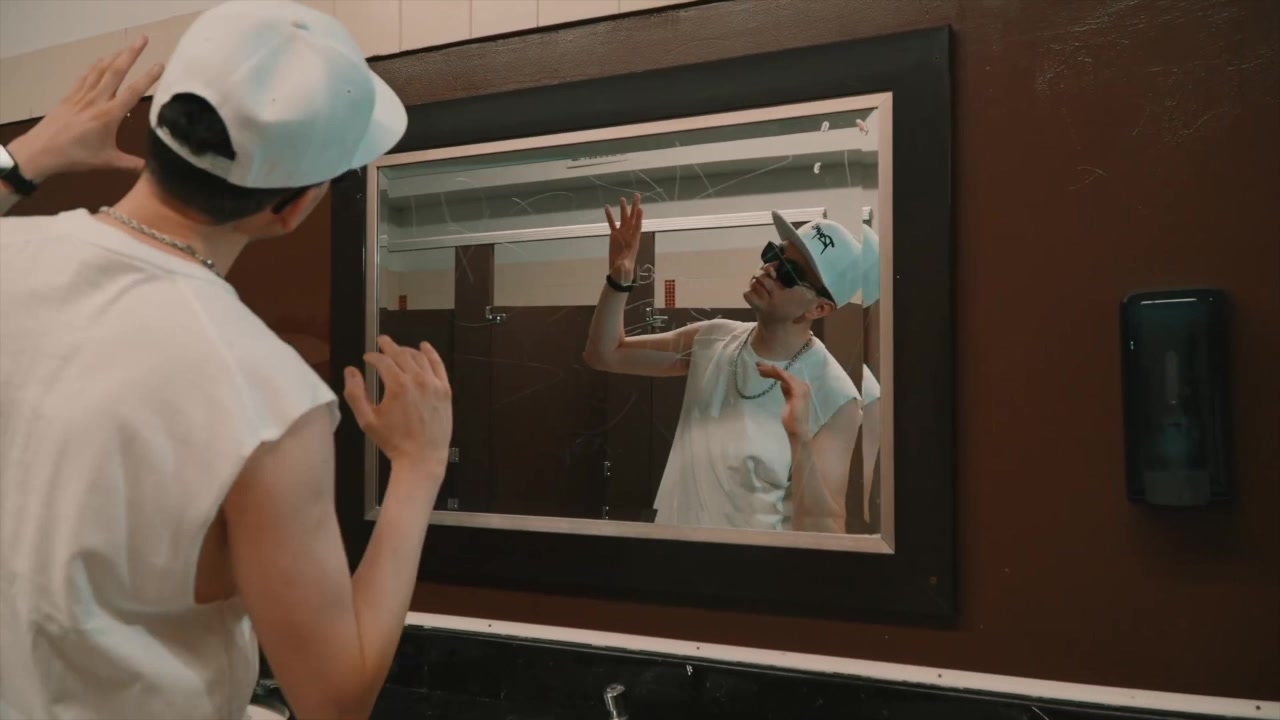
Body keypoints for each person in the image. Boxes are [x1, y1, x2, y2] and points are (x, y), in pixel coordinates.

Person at [0, 3, 452, 718]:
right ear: (292, 207)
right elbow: (334, 699)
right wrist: (419, 468)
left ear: (156, 128)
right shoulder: (267, 399)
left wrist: (25, 156)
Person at [584, 195, 863, 534]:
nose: (770, 270)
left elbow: (826, 531)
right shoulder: (712, 340)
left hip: (750, 564)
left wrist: (800, 438)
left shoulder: (835, 396)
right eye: (774, 255)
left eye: (789, 273)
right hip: (671, 550)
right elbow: (605, 354)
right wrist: (619, 279)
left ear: (819, 309)